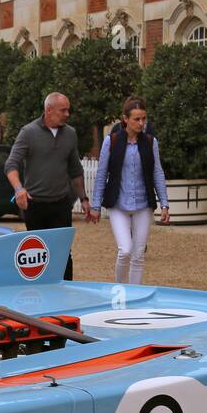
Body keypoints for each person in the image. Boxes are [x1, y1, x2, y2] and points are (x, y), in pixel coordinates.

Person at [4, 92, 89, 280]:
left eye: (68, 109)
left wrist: (83, 198)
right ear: (48, 110)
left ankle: (65, 290)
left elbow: (75, 170)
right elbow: (11, 164)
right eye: (63, 110)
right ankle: (39, 291)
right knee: (38, 254)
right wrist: (19, 189)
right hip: (35, 205)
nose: (67, 114)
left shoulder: (70, 134)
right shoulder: (29, 132)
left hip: (61, 203)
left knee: (63, 253)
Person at [89, 96, 170, 285]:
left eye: (144, 118)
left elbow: (158, 172)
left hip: (143, 204)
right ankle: (119, 290)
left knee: (138, 254)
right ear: (125, 119)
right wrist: (95, 206)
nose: (142, 123)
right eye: (137, 119)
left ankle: (135, 296)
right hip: (118, 203)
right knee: (125, 250)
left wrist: (164, 203)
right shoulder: (112, 141)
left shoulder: (151, 142)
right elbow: (101, 174)